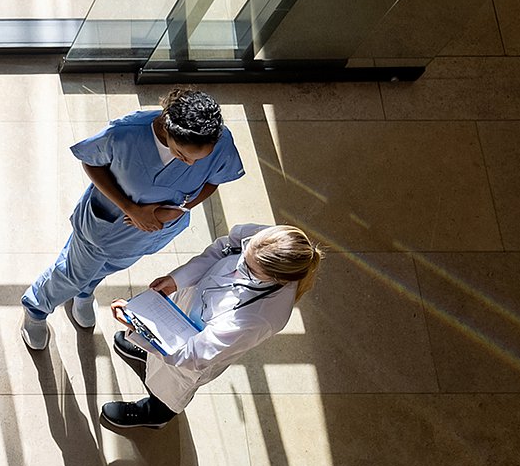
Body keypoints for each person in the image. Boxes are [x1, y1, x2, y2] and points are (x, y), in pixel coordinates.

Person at [21, 87, 244, 349]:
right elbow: (91, 162)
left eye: (199, 159)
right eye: (182, 155)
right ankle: (36, 308)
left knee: (110, 266)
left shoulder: (219, 140)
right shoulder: (125, 133)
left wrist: (182, 207)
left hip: (151, 232)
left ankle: (84, 291)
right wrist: (131, 208)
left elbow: (214, 179)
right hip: (107, 222)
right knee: (71, 272)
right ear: (166, 128)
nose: (191, 165)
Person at [102, 223, 324, 429]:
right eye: (245, 251)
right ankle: (150, 355)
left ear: (275, 279)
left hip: (193, 350)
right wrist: (178, 279)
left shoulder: (257, 318)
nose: (240, 260)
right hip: (190, 308)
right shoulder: (266, 242)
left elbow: (192, 355)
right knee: (159, 361)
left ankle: (156, 414)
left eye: (247, 266)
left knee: (170, 386)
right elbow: (223, 248)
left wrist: (142, 329)